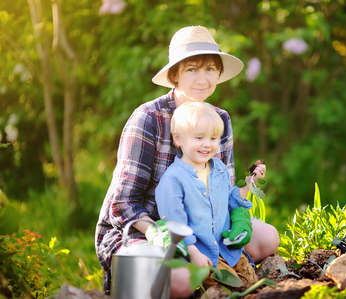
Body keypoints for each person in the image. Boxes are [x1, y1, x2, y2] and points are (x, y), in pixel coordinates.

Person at [95, 25, 279, 298]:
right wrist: (174, 241)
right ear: (175, 75)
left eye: (210, 69)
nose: (202, 79)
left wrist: (238, 212)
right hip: (147, 226)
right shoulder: (148, 118)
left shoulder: (220, 119)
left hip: (202, 221)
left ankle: (223, 273)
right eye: (192, 69)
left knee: (267, 238)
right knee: (181, 281)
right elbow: (123, 204)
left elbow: (222, 189)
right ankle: (147, 277)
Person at [156, 101, 264, 289]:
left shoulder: (219, 169)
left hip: (227, 250)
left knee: (252, 285)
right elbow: (175, 224)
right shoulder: (173, 179)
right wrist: (193, 253)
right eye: (199, 138)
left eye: (213, 138)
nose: (207, 145)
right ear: (178, 138)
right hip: (200, 253)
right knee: (232, 289)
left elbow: (230, 202)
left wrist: (249, 183)